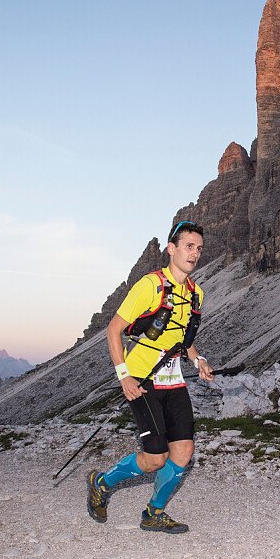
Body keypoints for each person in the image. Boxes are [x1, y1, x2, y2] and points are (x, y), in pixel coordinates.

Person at [86, 220, 214, 533]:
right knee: (155, 458)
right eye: (188, 246)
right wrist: (124, 376)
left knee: (183, 451)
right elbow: (114, 329)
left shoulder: (196, 293)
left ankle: (153, 513)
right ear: (172, 249)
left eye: (198, 248)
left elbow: (182, 338)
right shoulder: (150, 285)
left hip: (174, 380)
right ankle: (102, 483)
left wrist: (198, 359)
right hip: (142, 380)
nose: (194, 253)